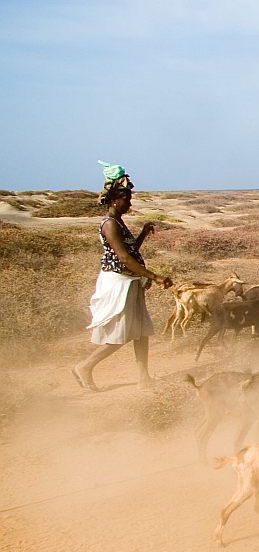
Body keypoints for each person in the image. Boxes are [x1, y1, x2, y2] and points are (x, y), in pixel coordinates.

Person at [72, 162, 172, 391]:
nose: (129, 204)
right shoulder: (109, 224)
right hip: (118, 283)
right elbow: (125, 259)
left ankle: (143, 377)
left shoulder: (118, 222)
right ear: (116, 200)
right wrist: (155, 277)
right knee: (122, 333)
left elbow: (131, 250)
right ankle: (85, 366)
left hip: (130, 281)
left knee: (141, 331)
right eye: (127, 200)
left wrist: (143, 234)